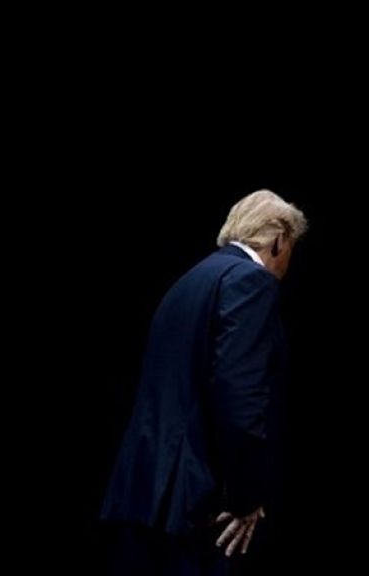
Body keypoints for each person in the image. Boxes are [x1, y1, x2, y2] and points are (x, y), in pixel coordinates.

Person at [100, 189, 308, 575]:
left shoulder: (191, 280)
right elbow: (239, 395)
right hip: (198, 503)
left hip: (144, 491)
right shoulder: (251, 281)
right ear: (280, 240)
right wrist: (246, 497)